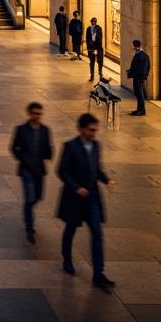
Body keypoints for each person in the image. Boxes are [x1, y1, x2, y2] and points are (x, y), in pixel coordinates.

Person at [57, 112, 115, 287]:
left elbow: (96, 168)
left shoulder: (96, 145)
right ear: (80, 129)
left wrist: (106, 179)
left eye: (95, 130)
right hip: (75, 199)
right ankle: (67, 259)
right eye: (90, 130)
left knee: (97, 233)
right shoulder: (70, 146)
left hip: (93, 198)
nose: (93, 134)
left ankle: (99, 271)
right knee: (71, 229)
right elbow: (62, 170)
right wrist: (76, 187)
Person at [10, 101, 52, 243]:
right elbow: (14, 147)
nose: (37, 116)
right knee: (29, 197)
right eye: (34, 113)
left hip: (39, 169)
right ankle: (30, 226)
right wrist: (21, 158)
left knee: (38, 197)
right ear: (29, 114)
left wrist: (48, 156)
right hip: (27, 169)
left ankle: (28, 210)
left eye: (39, 114)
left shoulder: (45, 130)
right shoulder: (21, 129)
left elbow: (48, 146)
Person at [126, 39, 151, 116]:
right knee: (137, 93)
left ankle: (141, 109)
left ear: (135, 46)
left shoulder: (142, 55)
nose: (132, 47)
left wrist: (143, 77)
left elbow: (145, 67)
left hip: (139, 77)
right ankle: (139, 109)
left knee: (139, 93)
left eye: (133, 45)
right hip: (137, 76)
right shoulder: (138, 54)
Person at [85, 17, 105, 81]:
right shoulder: (88, 29)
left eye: (95, 21)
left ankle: (100, 75)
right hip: (91, 48)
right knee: (91, 62)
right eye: (93, 21)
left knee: (100, 62)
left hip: (98, 48)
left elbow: (100, 38)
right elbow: (87, 38)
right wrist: (88, 46)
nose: (93, 23)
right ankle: (92, 76)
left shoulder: (99, 28)